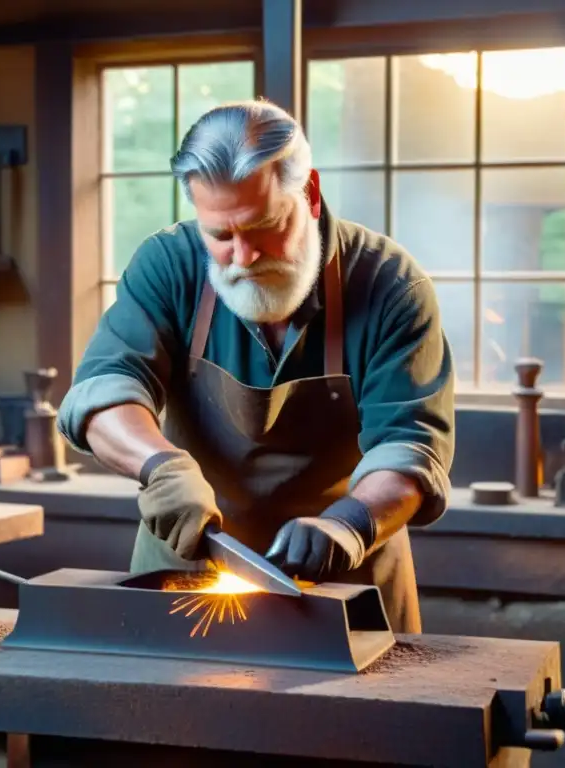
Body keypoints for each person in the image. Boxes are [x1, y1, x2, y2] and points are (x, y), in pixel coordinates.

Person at [57, 99, 454, 633]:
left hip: (343, 589)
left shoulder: (389, 287)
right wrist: (159, 466)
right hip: (189, 581)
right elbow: (104, 390)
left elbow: (411, 445)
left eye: (263, 227)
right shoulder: (167, 265)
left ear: (309, 193)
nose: (243, 257)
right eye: (220, 236)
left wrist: (350, 525)